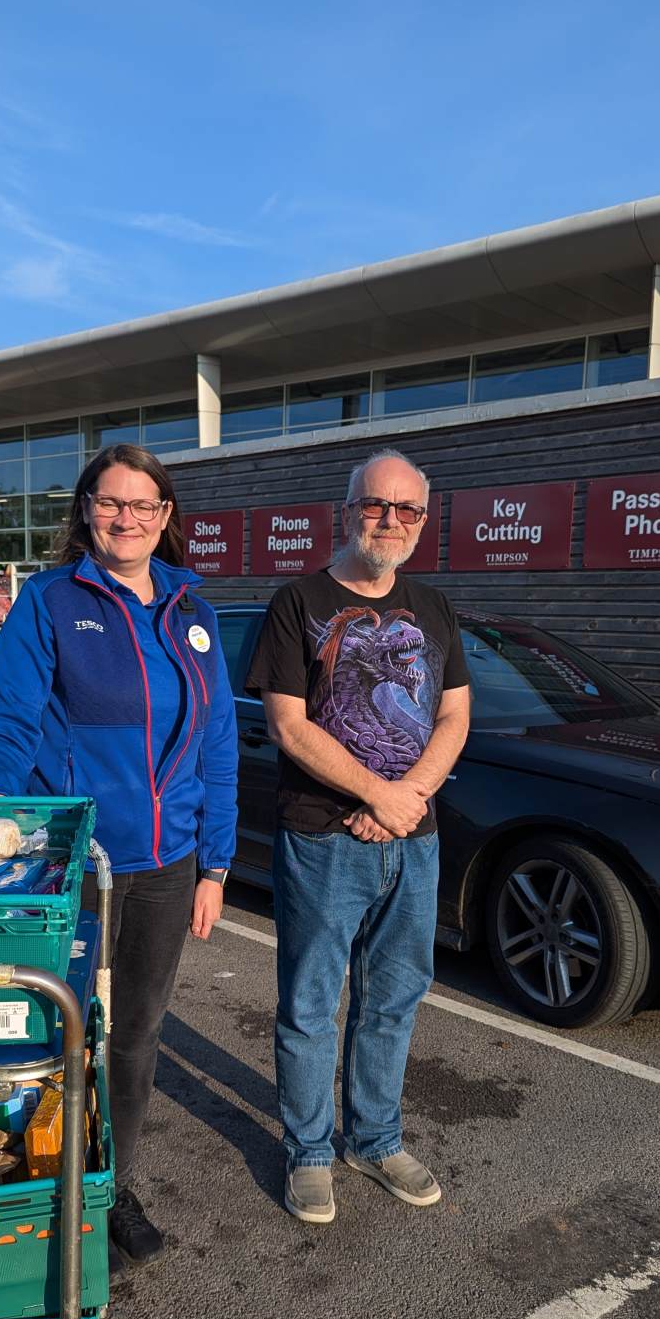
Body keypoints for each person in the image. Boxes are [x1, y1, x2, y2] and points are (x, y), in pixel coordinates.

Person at [0, 444, 238, 1266]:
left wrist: (215, 866)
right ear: (86, 511)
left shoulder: (195, 612)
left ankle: (109, 1185)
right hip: (76, 866)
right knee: (55, 1031)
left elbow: (217, 744)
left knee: (135, 1035)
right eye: (110, 503)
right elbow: (6, 724)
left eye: (143, 506)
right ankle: (39, 1184)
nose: (126, 519)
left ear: (166, 518)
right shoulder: (50, 600)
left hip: (165, 868)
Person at [245, 448, 471, 1224]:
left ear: (423, 519)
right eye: (378, 505)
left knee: (393, 1000)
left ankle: (374, 1141)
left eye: (407, 509)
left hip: (415, 839)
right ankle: (308, 1151)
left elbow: (453, 715)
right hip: (322, 837)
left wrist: (406, 800)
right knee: (311, 1004)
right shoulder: (296, 601)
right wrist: (378, 793)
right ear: (347, 511)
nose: (392, 520)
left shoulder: (435, 605)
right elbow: (287, 723)